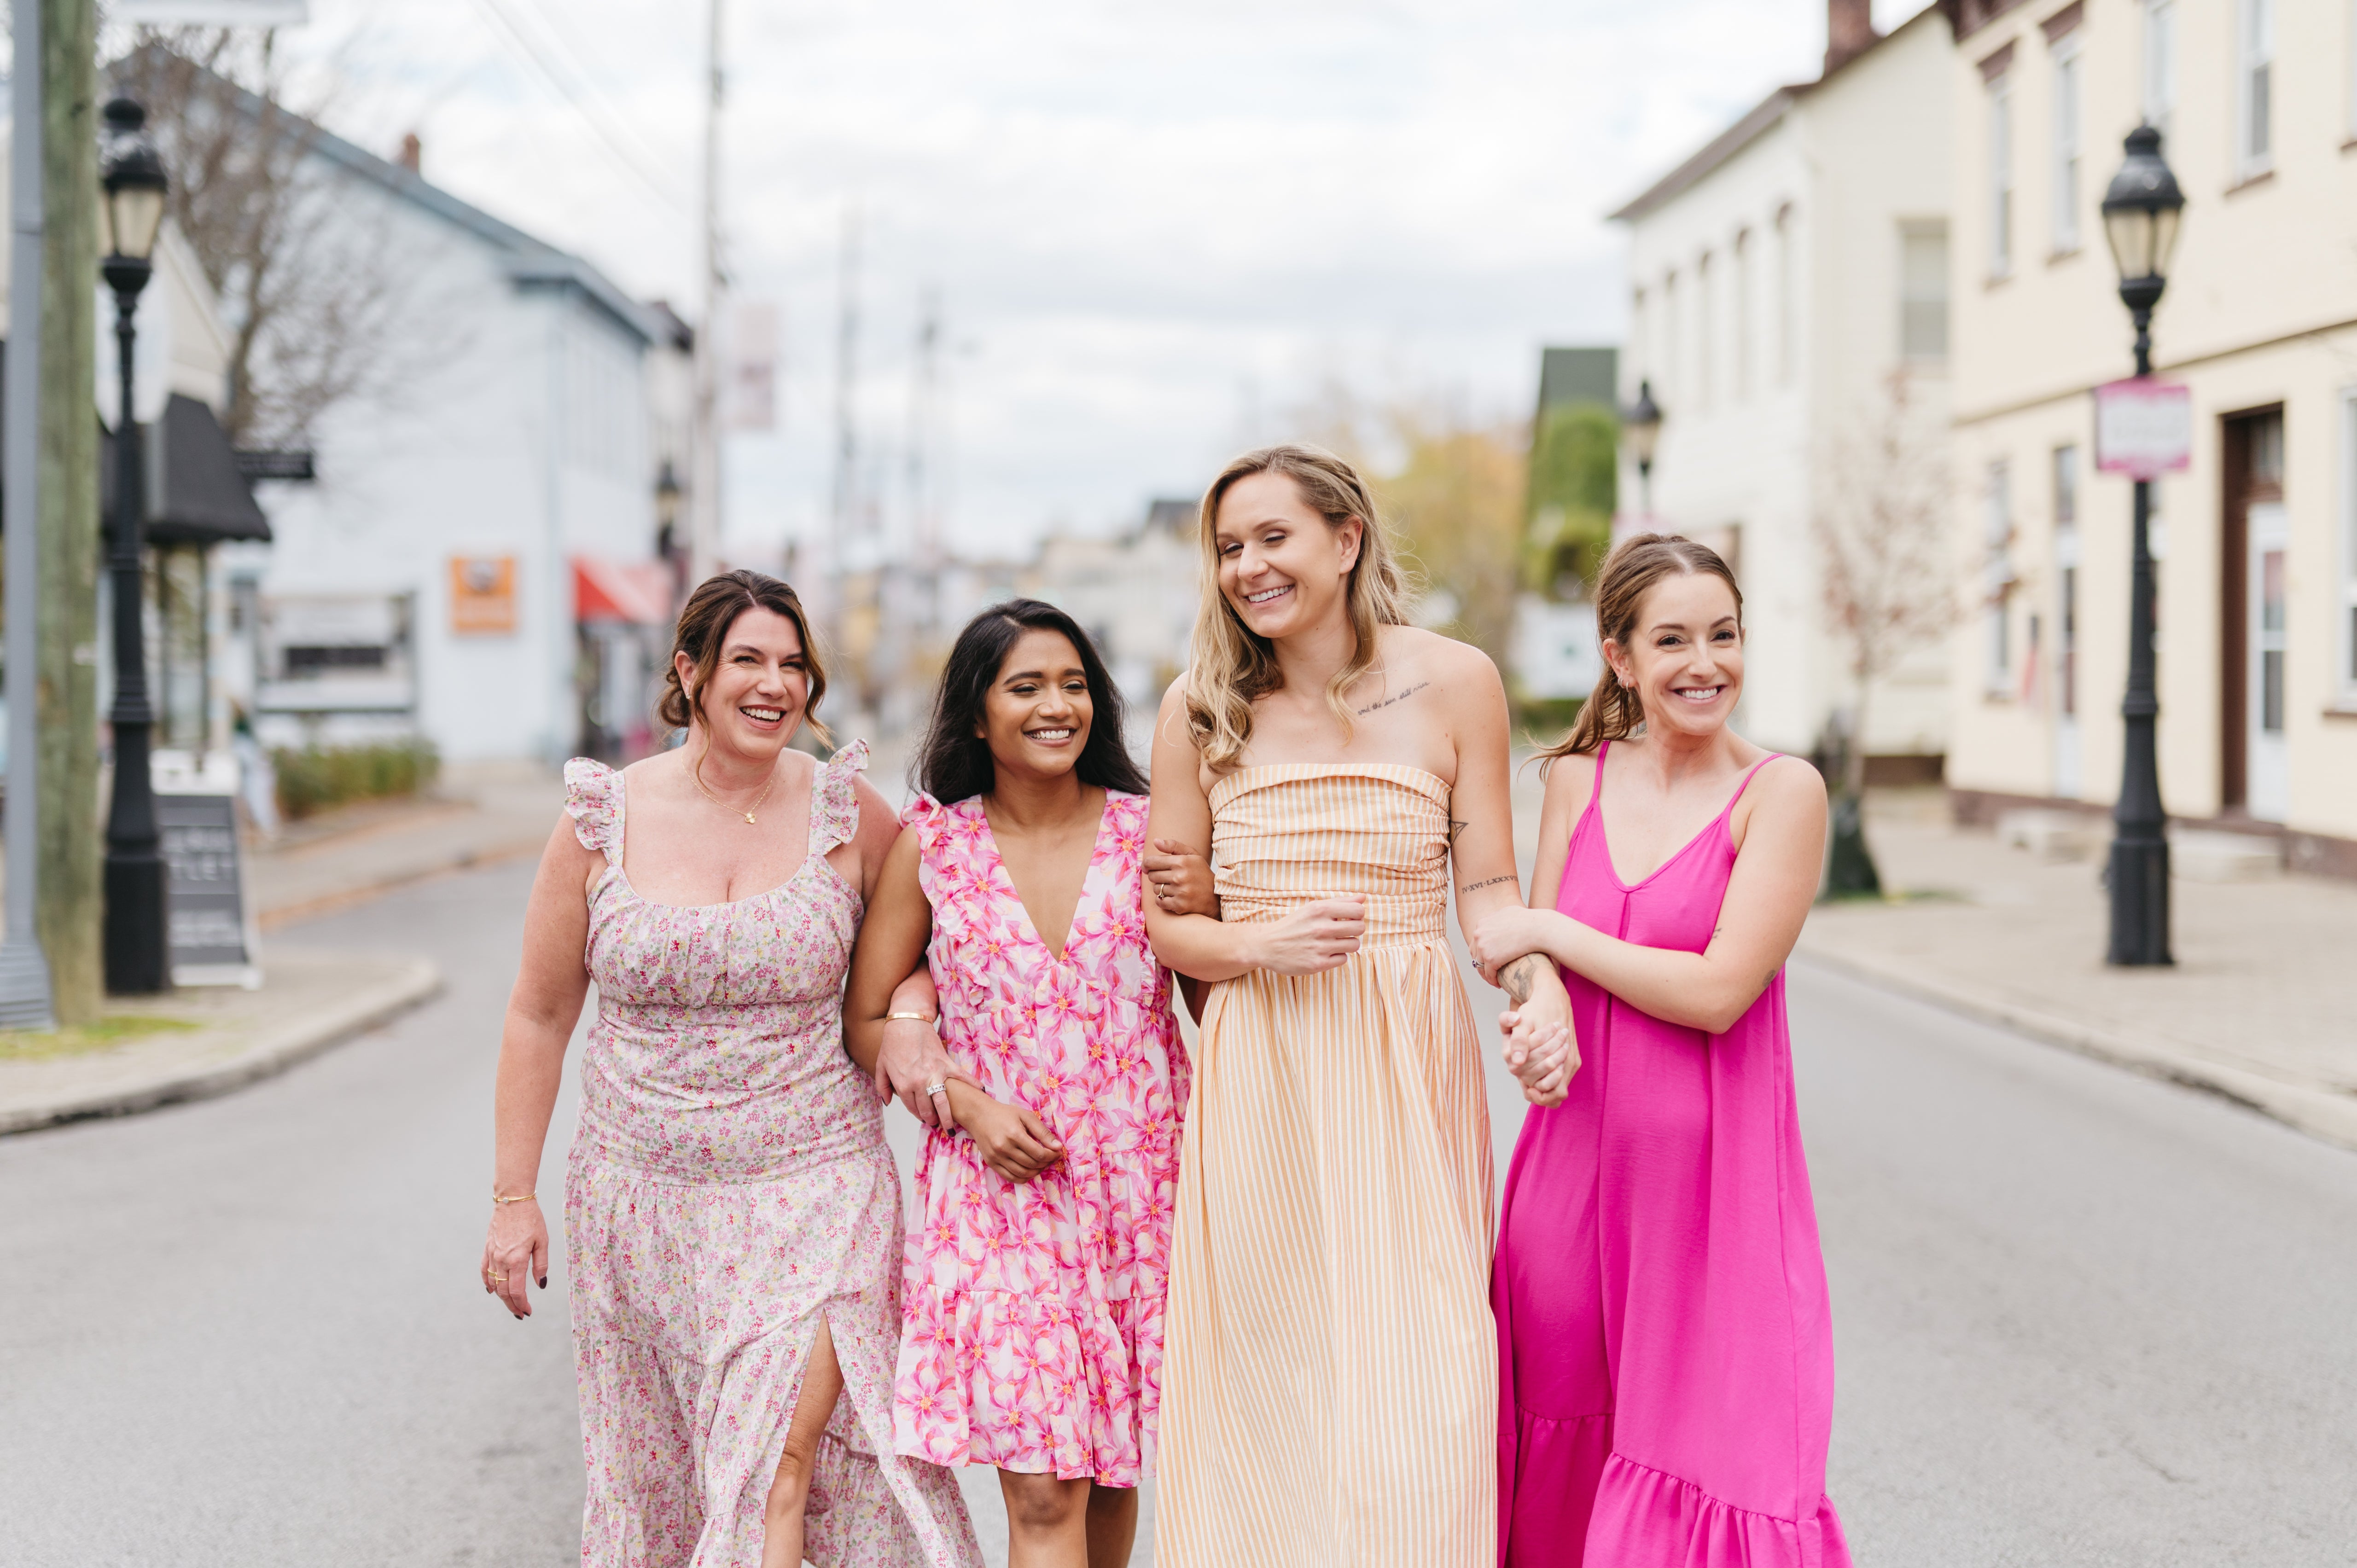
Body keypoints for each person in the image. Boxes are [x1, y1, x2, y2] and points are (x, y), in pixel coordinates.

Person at [478, 569, 981, 1568]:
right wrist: (512, 1195)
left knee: (770, 1466)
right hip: (640, 1205)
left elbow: (934, 938)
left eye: (793, 663)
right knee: (666, 1484)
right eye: (748, 658)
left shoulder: (852, 814)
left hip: (817, 1193)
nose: (774, 683)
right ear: (690, 671)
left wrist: (916, 1007)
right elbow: (539, 1013)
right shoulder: (599, 818)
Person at [1142, 444, 1574, 1568]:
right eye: (1229, 548)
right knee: (1270, 1381)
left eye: (1272, 538)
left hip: (1405, 1068)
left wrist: (1540, 990)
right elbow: (1167, 925)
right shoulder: (1200, 706)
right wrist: (1256, 942)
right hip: (1264, 1072)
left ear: (1346, 538)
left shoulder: (1456, 679)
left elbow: (1488, 896)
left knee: (1426, 1379)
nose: (1247, 566)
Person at [1467, 534, 1849, 1567]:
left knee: (1717, 1453)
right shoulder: (1574, 783)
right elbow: (1530, 962)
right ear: (1618, 658)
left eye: (1723, 635)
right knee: (1556, 1431)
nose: (1705, 662)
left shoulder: (1782, 793)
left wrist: (1553, 939)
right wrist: (1536, 1012)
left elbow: (1722, 991)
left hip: (1712, 1190)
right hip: (1569, 1172)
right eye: (1672, 638)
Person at [844, 600, 1192, 1568]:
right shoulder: (935, 847)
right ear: (978, 712)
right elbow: (866, 1018)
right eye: (1026, 685)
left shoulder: (1148, 831)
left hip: (1139, 1189)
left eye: (1074, 684)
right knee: (1043, 1485)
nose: (1056, 705)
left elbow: (1210, 993)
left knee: (1114, 1472)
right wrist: (965, 1102)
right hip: (999, 1193)